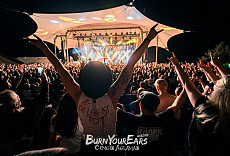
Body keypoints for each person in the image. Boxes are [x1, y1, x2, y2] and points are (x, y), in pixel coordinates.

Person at [29, 24, 163, 143]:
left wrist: (45, 49)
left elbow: (60, 68)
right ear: (106, 81)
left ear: (83, 81)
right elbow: (131, 63)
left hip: (88, 146)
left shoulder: (77, 95)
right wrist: (148, 39)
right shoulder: (112, 96)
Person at [168, 52, 230, 156]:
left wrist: (176, 64)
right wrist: (218, 66)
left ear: (218, 93)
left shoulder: (206, 109)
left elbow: (186, 84)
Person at [117, 89, 187, 156]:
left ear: (140, 105)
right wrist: (186, 88)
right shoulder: (162, 119)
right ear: (156, 107)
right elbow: (177, 104)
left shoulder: (132, 120)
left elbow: (113, 105)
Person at [0, 72, 49, 155]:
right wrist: (46, 82)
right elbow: (43, 101)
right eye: (18, 99)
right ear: (16, 105)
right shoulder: (25, 117)